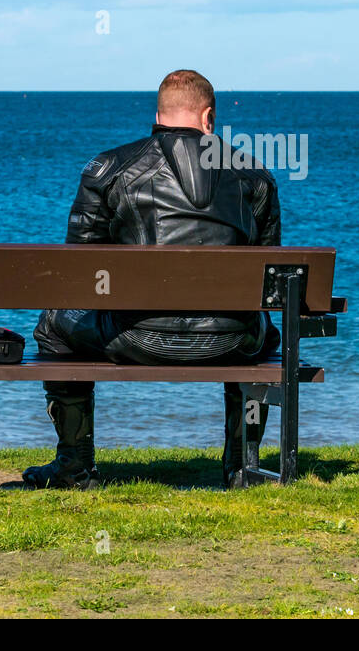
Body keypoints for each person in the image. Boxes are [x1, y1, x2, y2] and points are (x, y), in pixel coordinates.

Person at [24, 69, 282, 490]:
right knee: (264, 330)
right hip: (233, 340)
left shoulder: (109, 169)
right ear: (208, 117)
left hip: (135, 338)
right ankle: (241, 467)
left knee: (54, 323)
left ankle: (74, 466)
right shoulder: (254, 175)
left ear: (158, 115)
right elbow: (269, 279)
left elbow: (77, 270)